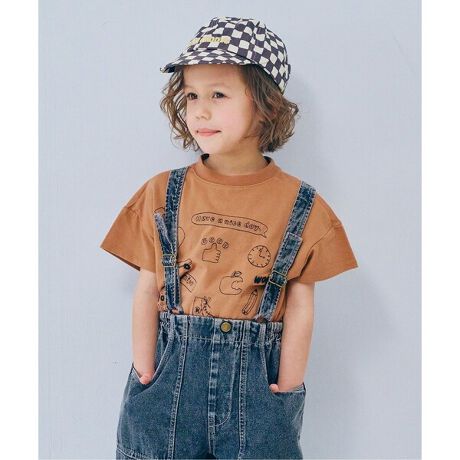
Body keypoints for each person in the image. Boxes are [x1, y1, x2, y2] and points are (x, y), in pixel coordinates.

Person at [100, 16, 358, 460]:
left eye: (218, 95)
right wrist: (145, 372)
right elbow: (147, 287)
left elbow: (300, 303)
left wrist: (288, 387)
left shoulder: (301, 205)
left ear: (266, 105)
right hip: (166, 387)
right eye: (192, 95)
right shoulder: (162, 193)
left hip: (258, 397)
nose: (200, 110)